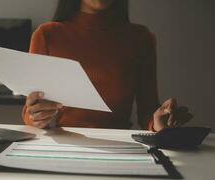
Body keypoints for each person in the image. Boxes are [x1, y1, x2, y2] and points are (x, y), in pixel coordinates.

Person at [22, 0, 193, 131]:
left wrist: (159, 122)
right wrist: (35, 117)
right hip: (63, 144)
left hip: (121, 145)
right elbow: (30, 110)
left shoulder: (140, 38)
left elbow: (148, 113)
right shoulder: (47, 35)